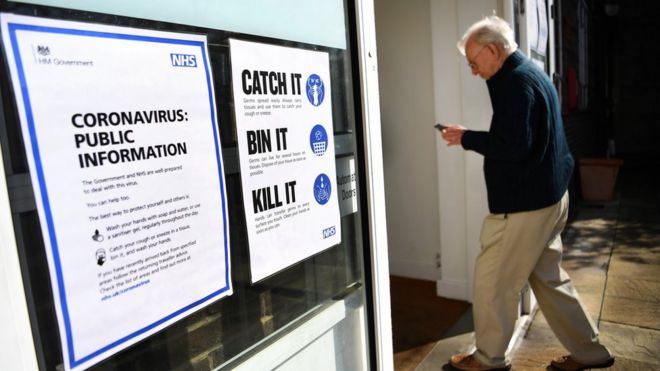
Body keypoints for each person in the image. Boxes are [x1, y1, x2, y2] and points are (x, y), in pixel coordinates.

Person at [440, 16, 615, 371]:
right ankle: (590, 352)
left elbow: (514, 145)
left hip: (525, 206)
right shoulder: (531, 73)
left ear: (493, 50)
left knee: (493, 281)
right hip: (550, 197)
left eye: (474, 63)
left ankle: (488, 359)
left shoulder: (516, 84)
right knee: (550, 280)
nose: (473, 71)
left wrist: (467, 137)